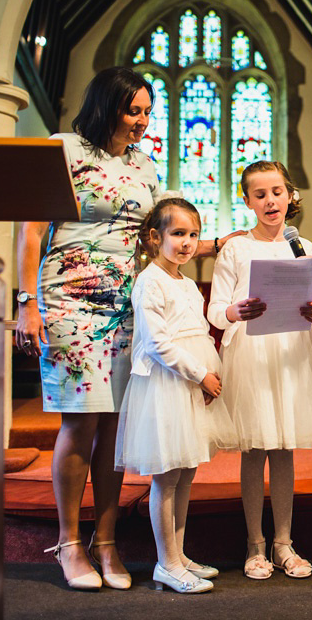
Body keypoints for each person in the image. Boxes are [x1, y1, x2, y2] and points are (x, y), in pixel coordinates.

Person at [15, 66, 240, 590]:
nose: (140, 121)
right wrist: (27, 302)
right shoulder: (64, 148)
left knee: (116, 422)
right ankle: (70, 543)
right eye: (131, 110)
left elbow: (153, 235)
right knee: (81, 421)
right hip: (69, 300)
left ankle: (108, 541)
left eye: (146, 112)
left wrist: (213, 245)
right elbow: (31, 225)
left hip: (128, 305)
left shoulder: (144, 164)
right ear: (105, 105)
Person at [206, 160, 312, 580]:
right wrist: (235, 310)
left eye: (277, 192)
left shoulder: (306, 248)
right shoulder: (235, 249)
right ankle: (254, 544)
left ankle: (284, 543)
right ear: (246, 200)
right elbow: (215, 310)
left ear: (290, 195)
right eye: (259, 194)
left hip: (292, 353)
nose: (270, 201)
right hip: (252, 352)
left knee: (284, 447)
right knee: (255, 446)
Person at [114, 198, 224, 593]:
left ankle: (178, 554)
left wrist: (210, 376)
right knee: (167, 475)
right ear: (154, 237)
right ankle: (165, 562)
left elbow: (198, 334)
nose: (188, 242)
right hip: (168, 383)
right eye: (178, 234)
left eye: (193, 234)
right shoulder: (150, 281)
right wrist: (200, 375)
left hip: (192, 385)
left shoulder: (187, 282)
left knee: (187, 471)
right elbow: (158, 343)